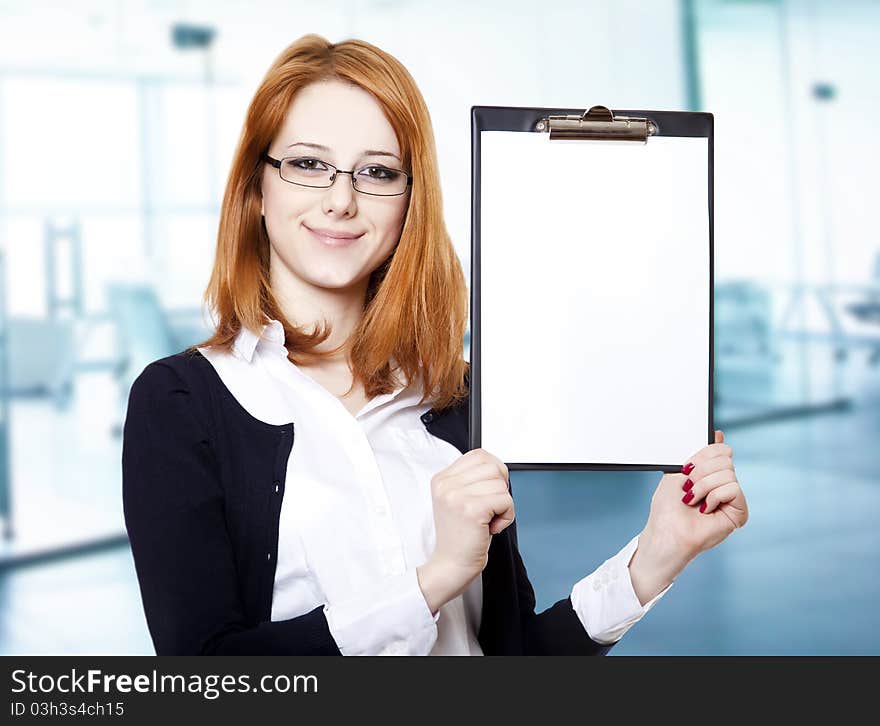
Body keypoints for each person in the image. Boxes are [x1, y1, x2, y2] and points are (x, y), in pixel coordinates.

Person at [121, 33, 749, 656]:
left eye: (378, 172)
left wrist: (657, 555)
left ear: (409, 204)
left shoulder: (456, 397)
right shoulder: (180, 401)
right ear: (258, 188)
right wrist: (435, 578)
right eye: (308, 164)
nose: (341, 200)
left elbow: (510, 651)